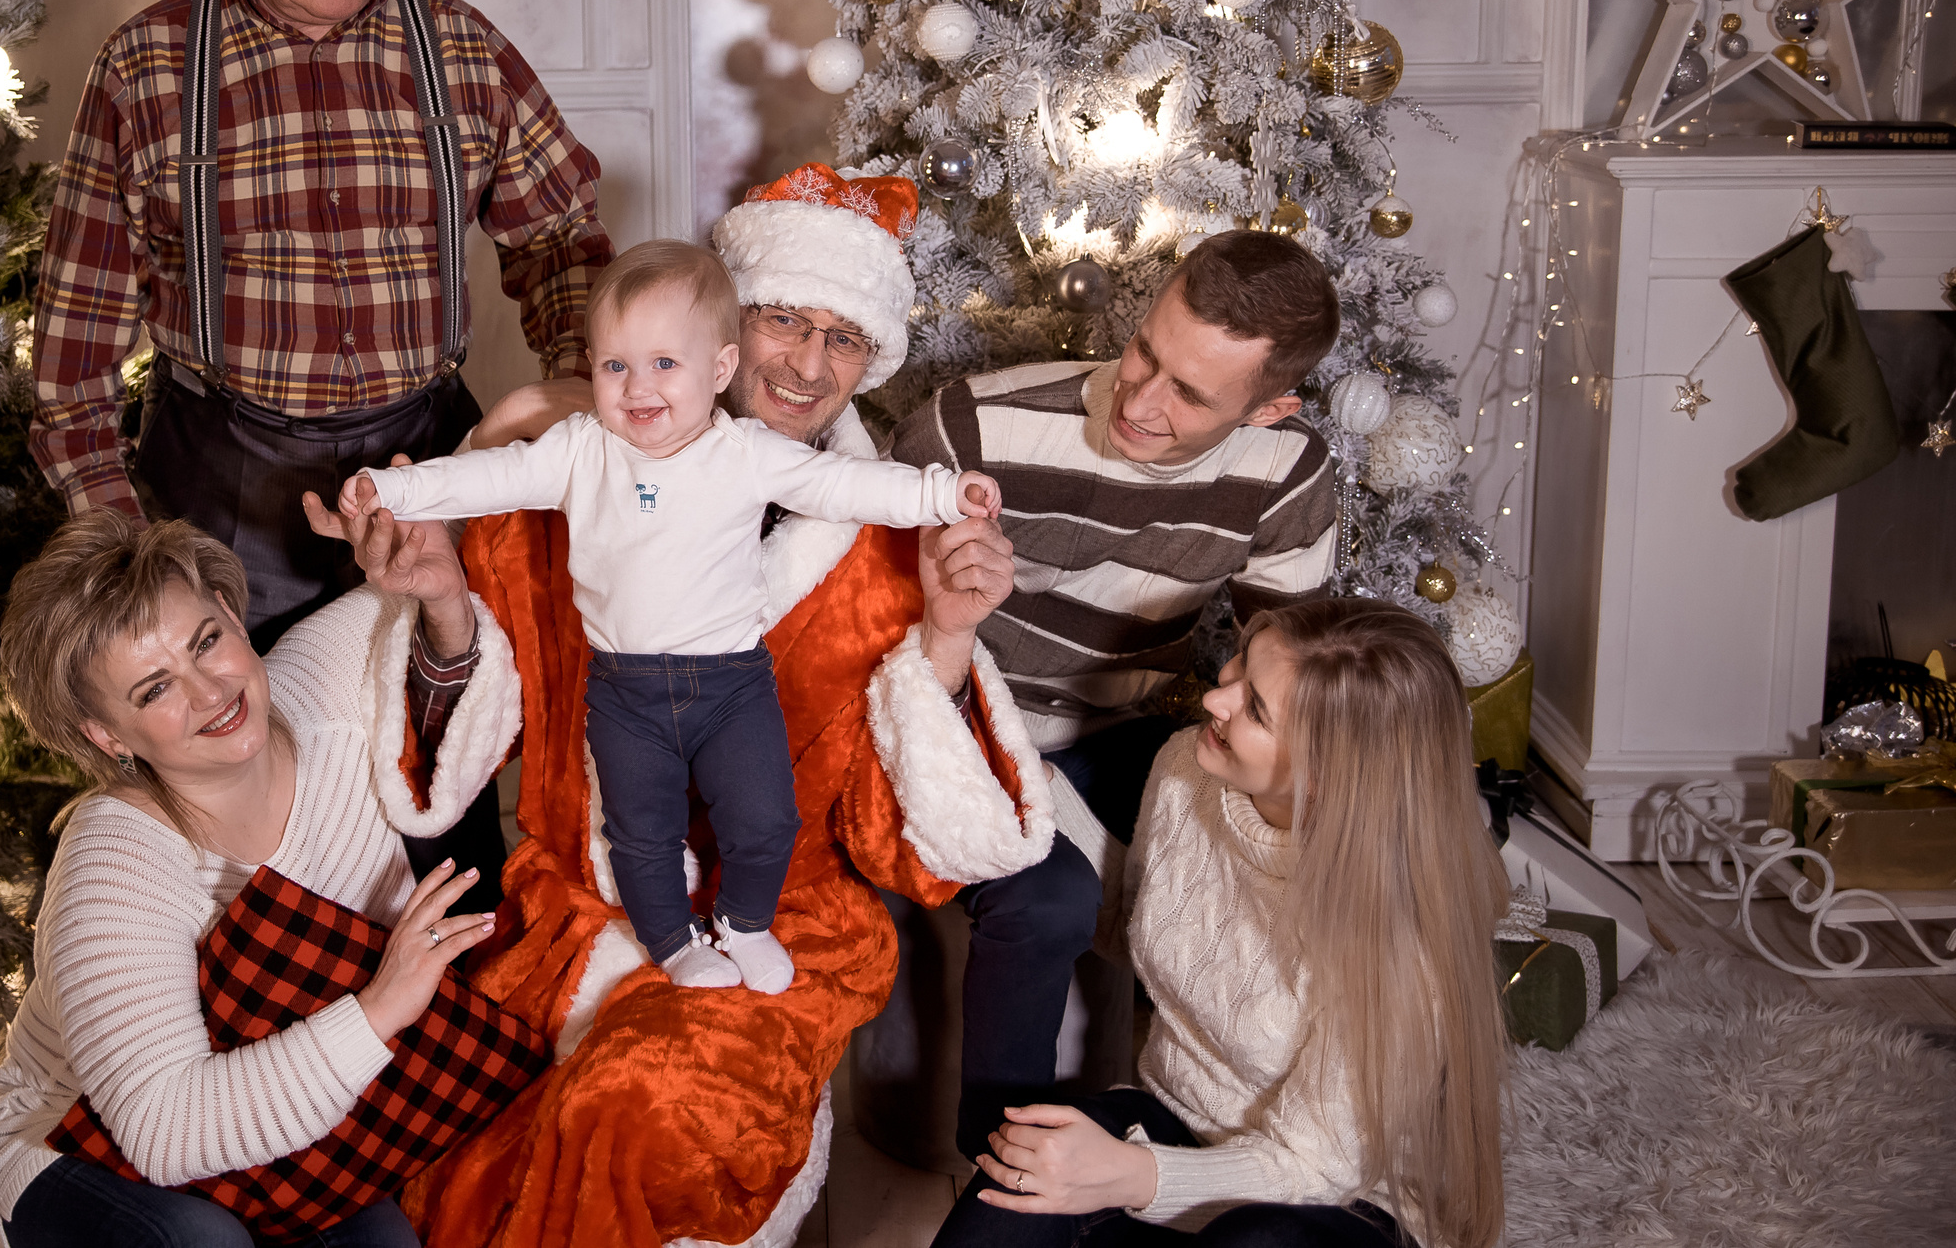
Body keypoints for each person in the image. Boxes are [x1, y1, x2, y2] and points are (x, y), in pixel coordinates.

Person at [304, 163, 1058, 1248]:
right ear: (719, 329)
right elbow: (455, 758)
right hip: (577, 913)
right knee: (445, 1133)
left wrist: (944, 633)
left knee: (645, 1109)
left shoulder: (884, 552)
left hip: (783, 927)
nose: (805, 364)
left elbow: (916, 853)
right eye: (782, 319)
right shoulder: (559, 484)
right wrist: (440, 598)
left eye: (842, 338)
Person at [29, 0, 612, 900]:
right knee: (256, 808)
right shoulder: (147, 67)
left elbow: (563, 246)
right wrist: (126, 563)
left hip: (428, 458)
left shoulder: (457, 47)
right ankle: (292, 1054)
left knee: (448, 755)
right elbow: (71, 358)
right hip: (225, 479)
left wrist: (572, 402)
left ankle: (468, 1029)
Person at [346, 239, 998, 994]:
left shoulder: (744, 452)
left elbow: (849, 485)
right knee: (641, 835)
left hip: (733, 684)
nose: (636, 387)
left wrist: (944, 497)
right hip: (625, 693)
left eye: (664, 364)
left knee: (765, 818)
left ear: (718, 370)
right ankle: (672, 940)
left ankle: (744, 923)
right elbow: (488, 476)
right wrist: (393, 493)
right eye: (615, 365)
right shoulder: (581, 449)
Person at [890, 229, 1342, 1159]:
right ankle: (1002, 1179)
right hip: (954, 711)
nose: (1139, 400)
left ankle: (1218, 1134)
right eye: (1146, 350)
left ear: (1270, 408)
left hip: (1132, 728)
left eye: (1190, 392)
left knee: (1256, 857)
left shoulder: (1285, 470)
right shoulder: (974, 424)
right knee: (1048, 899)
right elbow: (866, 644)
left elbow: (1289, 680)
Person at [0, 511, 504, 1248]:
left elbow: (470, 662)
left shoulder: (328, 670)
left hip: (284, 1136)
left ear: (228, 612)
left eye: (206, 641)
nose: (209, 690)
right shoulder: (115, 858)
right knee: (204, 1243)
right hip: (81, 1144)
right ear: (106, 735)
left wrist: (445, 603)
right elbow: (162, 1130)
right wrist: (382, 1007)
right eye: (154, 688)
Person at [931, 597, 1510, 1248]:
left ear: (1327, 774)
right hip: (1172, 1119)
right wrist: (1037, 792)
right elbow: (1139, 922)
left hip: (1334, 1199)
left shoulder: (1398, 944)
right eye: (1238, 665)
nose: (1217, 698)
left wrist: (1132, 1176)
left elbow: (1314, 1164)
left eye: (1256, 708)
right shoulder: (1188, 769)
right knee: (1014, 1182)